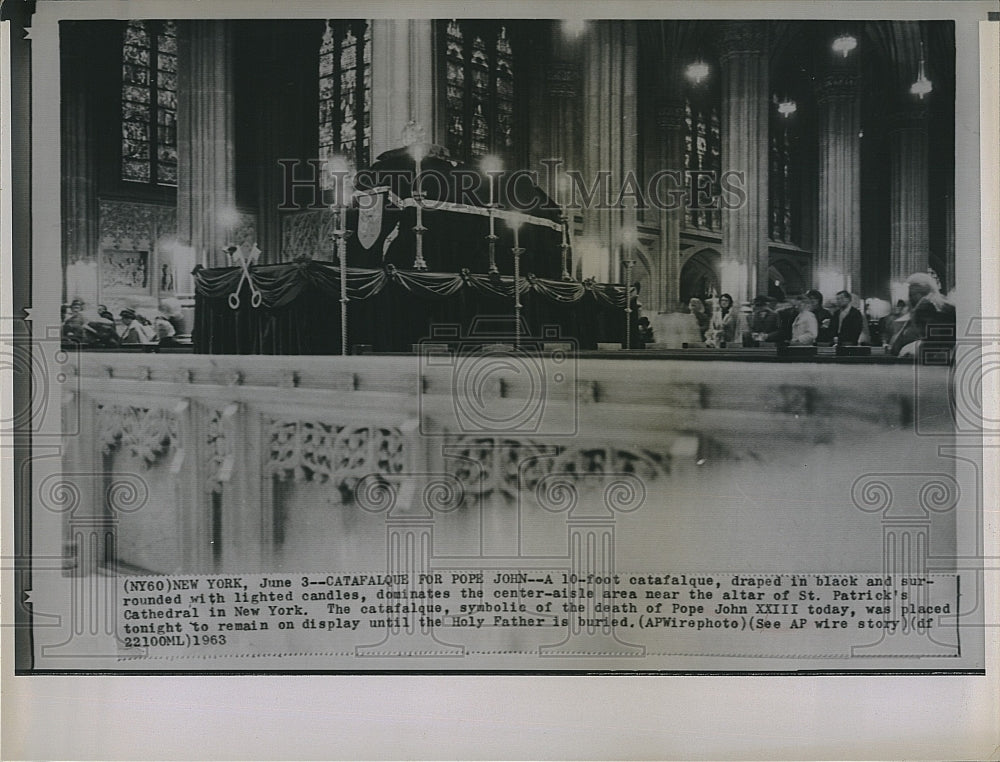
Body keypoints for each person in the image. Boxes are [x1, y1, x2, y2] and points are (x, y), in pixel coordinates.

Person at [889, 272, 956, 356]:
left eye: (912, 294)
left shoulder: (925, 306)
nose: (910, 298)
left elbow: (932, 343)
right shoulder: (944, 305)